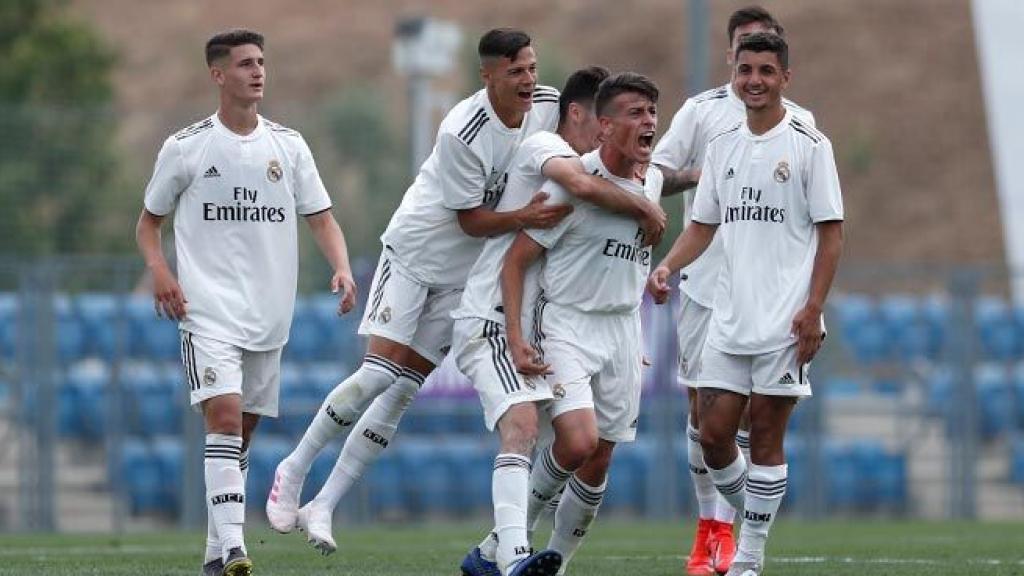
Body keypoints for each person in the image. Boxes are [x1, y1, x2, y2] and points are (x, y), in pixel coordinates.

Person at [267, 29, 663, 557]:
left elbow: (605, 171)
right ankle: (294, 467)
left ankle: (325, 504)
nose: (528, 80)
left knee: (403, 392)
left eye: (532, 68)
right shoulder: (464, 129)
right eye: (516, 71)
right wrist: (640, 207)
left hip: (465, 277)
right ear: (489, 75)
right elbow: (474, 220)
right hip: (416, 256)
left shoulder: (547, 108)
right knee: (380, 372)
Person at [135, 29, 357, 576]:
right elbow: (148, 224)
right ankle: (235, 548)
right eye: (243, 64)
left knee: (243, 432)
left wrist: (343, 266)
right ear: (217, 75)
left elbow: (322, 218)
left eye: (261, 62)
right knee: (225, 417)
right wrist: (161, 271)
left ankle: (216, 556)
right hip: (206, 310)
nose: (257, 72)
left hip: (269, 314)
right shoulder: (186, 147)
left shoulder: (289, 145)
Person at [455, 66, 669, 576]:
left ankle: (532, 560)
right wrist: (514, 335)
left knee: (598, 464)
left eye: (653, 112)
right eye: (635, 113)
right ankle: (507, 547)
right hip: (568, 325)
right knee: (576, 442)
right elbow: (517, 260)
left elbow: (625, 259)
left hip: (622, 329)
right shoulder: (574, 182)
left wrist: (641, 305)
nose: (649, 122)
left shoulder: (654, 178)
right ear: (604, 126)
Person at [648, 32, 844, 576]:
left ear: (785, 78)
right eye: (745, 71)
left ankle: (749, 557)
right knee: (712, 436)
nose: (754, 80)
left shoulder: (809, 144)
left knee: (764, 437)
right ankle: (757, 517)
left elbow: (831, 235)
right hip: (728, 316)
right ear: (733, 75)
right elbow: (703, 225)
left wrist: (812, 309)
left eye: (765, 71)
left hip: (785, 319)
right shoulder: (723, 145)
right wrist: (668, 265)